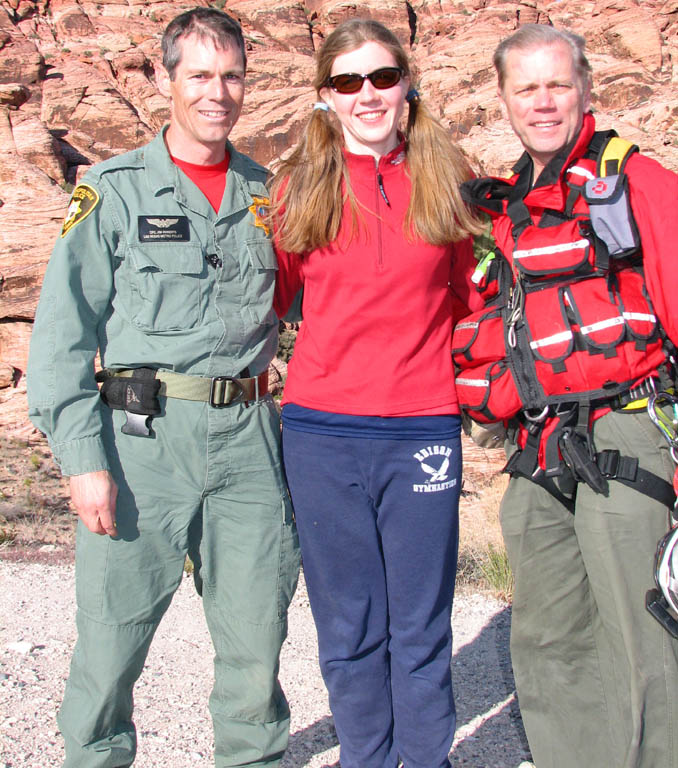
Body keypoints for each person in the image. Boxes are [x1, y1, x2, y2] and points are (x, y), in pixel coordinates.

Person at [26, 7, 300, 767]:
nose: (219, 92)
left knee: (257, 642)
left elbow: (319, 305)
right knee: (111, 645)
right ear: (164, 78)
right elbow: (60, 338)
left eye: (233, 75)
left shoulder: (267, 196)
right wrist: (83, 462)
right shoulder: (114, 191)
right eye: (201, 75)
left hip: (249, 441)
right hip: (141, 441)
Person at [456, 24, 678, 768]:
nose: (543, 103)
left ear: (586, 89)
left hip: (630, 435)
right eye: (527, 89)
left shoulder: (638, 183)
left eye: (558, 85)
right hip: (541, 447)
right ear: (504, 100)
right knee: (548, 638)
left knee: (643, 637)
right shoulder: (508, 211)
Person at [270, 18, 482, 768]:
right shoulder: (301, 189)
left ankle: (426, 759)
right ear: (327, 95)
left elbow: (469, 302)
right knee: (349, 623)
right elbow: (274, 297)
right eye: (348, 81)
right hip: (322, 433)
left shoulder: (445, 183)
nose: (368, 95)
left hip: (421, 426)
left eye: (383, 78)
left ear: (407, 85)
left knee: (420, 623)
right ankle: (366, 756)